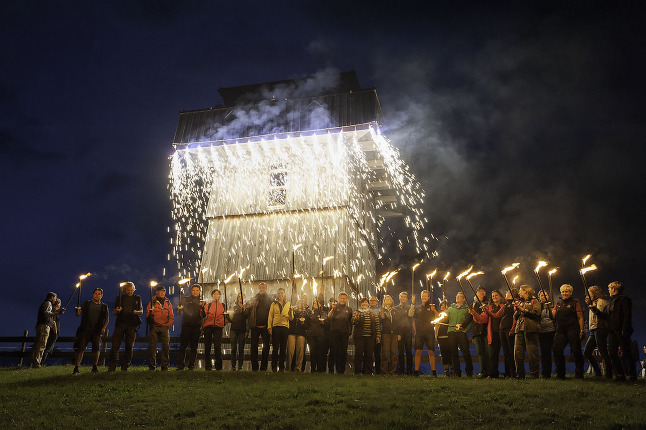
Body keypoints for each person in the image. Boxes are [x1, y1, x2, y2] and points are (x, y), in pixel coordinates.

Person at [591, 281, 637, 381]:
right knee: (612, 352)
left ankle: (632, 374)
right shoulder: (611, 301)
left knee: (626, 352)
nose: (609, 291)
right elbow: (606, 316)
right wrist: (596, 311)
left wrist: (625, 329)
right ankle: (619, 374)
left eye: (609, 289)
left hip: (621, 330)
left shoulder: (624, 300)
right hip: (612, 330)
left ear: (614, 289)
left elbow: (626, 315)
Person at [73, 288, 109, 375]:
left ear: (101, 296)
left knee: (96, 349)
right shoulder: (87, 303)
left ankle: (94, 367)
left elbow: (107, 318)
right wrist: (78, 310)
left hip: (96, 331)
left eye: (99, 294)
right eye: (95, 293)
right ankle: (76, 368)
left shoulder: (104, 306)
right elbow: (78, 314)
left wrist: (103, 328)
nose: (97, 295)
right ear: (93, 294)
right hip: (85, 330)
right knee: (81, 348)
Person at [108, 281, 143, 372]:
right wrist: (117, 310)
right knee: (115, 346)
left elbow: (141, 311)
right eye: (128, 290)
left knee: (129, 346)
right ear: (124, 290)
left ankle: (125, 367)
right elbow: (114, 313)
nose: (130, 291)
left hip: (132, 325)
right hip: (120, 324)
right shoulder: (119, 298)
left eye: (132, 290)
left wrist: (136, 312)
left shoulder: (137, 298)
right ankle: (112, 366)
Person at [552, 284, 585, 379]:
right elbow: (553, 316)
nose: (564, 293)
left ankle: (579, 374)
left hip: (572, 329)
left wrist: (581, 330)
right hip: (560, 330)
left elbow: (580, 317)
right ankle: (560, 374)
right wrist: (549, 308)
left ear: (570, 293)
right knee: (556, 349)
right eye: (563, 291)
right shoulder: (558, 303)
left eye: (567, 291)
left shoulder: (575, 302)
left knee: (576, 351)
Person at [470, 289, 505, 379]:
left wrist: (487, 311)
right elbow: (482, 319)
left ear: (500, 296)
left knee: (507, 353)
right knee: (492, 355)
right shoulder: (490, 307)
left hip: (504, 332)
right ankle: (492, 374)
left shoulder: (504, 306)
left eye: (496, 295)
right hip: (493, 333)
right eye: (493, 296)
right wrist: (474, 313)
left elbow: (497, 315)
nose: (494, 297)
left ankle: (509, 374)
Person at [513, 285, 541, 379]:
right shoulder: (520, 302)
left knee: (532, 354)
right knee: (517, 353)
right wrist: (517, 311)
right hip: (519, 329)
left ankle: (534, 374)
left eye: (520, 291)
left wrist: (524, 310)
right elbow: (515, 317)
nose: (519, 293)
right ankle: (520, 375)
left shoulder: (534, 301)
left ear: (526, 292)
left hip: (530, 330)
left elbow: (536, 314)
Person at [583, 285, 611, 378]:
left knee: (603, 351)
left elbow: (600, 313)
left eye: (589, 293)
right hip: (593, 329)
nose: (588, 295)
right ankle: (597, 372)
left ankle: (608, 373)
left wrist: (592, 307)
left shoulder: (601, 301)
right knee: (587, 352)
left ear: (594, 293)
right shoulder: (593, 302)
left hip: (600, 328)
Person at [31, 292, 64, 368]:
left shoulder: (45, 303)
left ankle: (33, 362)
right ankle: (36, 363)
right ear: (52, 297)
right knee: (41, 344)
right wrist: (58, 313)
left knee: (38, 344)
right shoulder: (48, 303)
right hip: (44, 325)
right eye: (55, 298)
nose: (55, 300)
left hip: (41, 325)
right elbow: (47, 313)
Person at [410, 290, 438, 376]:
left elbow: (438, 318)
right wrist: (415, 331)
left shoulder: (432, 307)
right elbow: (414, 321)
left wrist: (434, 311)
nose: (424, 297)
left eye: (426, 296)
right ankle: (416, 371)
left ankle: (433, 372)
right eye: (423, 296)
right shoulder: (418, 308)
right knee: (418, 351)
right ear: (421, 297)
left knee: (431, 352)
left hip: (429, 332)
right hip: (419, 333)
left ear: (429, 297)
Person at [146, 285, 174, 371]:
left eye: (164, 291)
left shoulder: (168, 303)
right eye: (160, 291)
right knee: (152, 347)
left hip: (164, 327)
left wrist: (167, 325)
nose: (162, 293)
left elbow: (171, 316)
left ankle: (164, 366)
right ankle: (152, 366)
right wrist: (150, 317)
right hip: (154, 327)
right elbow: (147, 315)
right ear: (157, 292)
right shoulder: (152, 302)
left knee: (166, 346)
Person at [465, 286, 490, 378]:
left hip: (486, 331)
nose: (481, 293)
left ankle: (490, 372)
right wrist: (462, 325)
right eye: (479, 292)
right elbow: (469, 318)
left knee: (487, 352)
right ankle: (483, 371)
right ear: (476, 293)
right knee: (480, 352)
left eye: (483, 291)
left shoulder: (488, 303)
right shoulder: (473, 305)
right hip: (476, 332)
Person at [248, 282, 273, 371]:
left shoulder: (270, 299)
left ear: (266, 289)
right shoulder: (254, 298)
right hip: (255, 327)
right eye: (260, 287)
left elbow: (272, 312)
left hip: (266, 327)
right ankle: (254, 367)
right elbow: (248, 307)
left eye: (263, 287)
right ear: (258, 289)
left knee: (266, 347)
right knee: (253, 347)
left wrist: (270, 326)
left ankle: (263, 367)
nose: (261, 289)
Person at [352, 297, 381, 375]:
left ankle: (368, 371)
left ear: (368, 304)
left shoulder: (373, 313)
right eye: (363, 302)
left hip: (370, 337)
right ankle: (357, 371)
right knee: (359, 353)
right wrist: (356, 317)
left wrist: (378, 335)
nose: (364, 304)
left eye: (366, 302)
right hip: (359, 337)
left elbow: (377, 325)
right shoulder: (357, 312)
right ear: (361, 304)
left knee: (369, 354)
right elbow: (353, 322)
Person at [447, 292, 473, 377]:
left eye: (460, 296)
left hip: (461, 333)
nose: (458, 298)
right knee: (453, 353)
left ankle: (469, 372)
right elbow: (446, 318)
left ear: (464, 299)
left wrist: (466, 329)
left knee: (465, 352)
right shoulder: (450, 308)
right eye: (457, 296)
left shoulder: (466, 308)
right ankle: (457, 373)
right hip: (451, 332)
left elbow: (470, 320)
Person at [268, 287, 292, 372]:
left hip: (285, 327)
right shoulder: (274, 304)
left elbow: (291, 318)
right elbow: (270, 315)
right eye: (279, 293)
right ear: (277, 295)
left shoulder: (288, 304)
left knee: (283, 348)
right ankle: (274, 366)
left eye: (282, 293)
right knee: (275, 348)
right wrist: (269, 327)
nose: (280, 295)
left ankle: (281, 367)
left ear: (284, 294)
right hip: (276, 327)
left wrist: (291, 312)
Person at [328, 292, 353, 374]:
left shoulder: (349, 309)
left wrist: (349, 332)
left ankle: (341, 370)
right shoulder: (334, 307)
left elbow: (351, 322)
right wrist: (332, 309)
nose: (342, 300)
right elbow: (329, 316)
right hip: (334, 333)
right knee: (333, 351)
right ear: (339, 299)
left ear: (346, 299)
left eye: (344, 298)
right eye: (341, 298)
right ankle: (331, 370)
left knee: (343, 352)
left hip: (344, 333)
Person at [202, 288, 225, 371]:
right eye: (214, 294)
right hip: (208, 326)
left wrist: (223, 323)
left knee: (217, 347)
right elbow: (203, 315)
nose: (216, 295)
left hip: (218, 327)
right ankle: (208, 366)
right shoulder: (208, 305)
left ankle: (218, 367)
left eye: (217, 294)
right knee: (207, 346)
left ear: (219, 296)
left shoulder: (223, 305)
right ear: (212, 296)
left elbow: (226, 316)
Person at [393, 291, 414, 375]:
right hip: (399, 332)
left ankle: (409, 370)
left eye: (405, 297)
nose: (403, 298)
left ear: (407, 299)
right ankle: (401, 370)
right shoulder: (395, 308)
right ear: (399, 297)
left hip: (408, 332)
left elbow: (410, 315)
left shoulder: (409, 307)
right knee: (400, 351)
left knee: (408, 351)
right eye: (401, 296)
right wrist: (397, 333)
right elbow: (395, 322)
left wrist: (412, 304)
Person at [287, 299, 310, 371]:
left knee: (300, 351)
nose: (300, 304)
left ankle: (298, 367)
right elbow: (290, 320)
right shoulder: (293, 311)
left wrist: (303, 323)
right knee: (290, 350)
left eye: (302, 303)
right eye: (299, 303)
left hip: (301, 333)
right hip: (292, 332)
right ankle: (288, 367)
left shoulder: (306, 313)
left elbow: (307, 325)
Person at [538, 289, 555, 379]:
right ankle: (545, 373)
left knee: (554, 352)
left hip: (552, 331)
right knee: (545, 353)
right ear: (539, 297)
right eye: (541, 295)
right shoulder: (538, 306)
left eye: (545, 295)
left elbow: (554, 317)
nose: (544, 297)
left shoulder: (552, 305)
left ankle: (557, 372)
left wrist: (550, 308)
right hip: (542, 332)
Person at [499, 289, 517, 379]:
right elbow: (496, 315)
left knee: (510, 352)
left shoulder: (515, 303)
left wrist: (513, 328)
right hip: (502, 329)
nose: (506, 293)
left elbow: (515, 317)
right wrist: (486, 310)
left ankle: (513, 373)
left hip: (509, 329)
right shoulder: (505, 305)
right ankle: (507, 373)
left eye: (508, 292)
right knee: (506, 352)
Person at [379, 294, 398, 375]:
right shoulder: (382, 311)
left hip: (394, 334)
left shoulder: (394, 311)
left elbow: (398, 323)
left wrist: (398, 333)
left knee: (394, 352)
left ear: (391, 301)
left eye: (389, 299)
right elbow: (379, 322)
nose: (387, 301)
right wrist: (382, 317)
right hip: (385, 334)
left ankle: (393, 371)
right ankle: (384, 371)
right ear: (384, 301)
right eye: (386, 299)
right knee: (385, 352)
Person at [308, 297, 328, 372]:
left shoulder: (323, 313)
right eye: (314, 303)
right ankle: (313, 369)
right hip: (311, 335)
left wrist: (323, 322)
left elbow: (326, 322)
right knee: (312, 352)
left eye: (317, 303)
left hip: (320, 335)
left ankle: (320, 369)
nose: (315, 304)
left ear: (320, 305)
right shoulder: (310, 313)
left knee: (319, 352)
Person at [228, 292, 247, 371]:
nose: (240, 298)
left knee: (241, 348)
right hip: (234, 329)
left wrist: (247, 330)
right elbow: (231, 319)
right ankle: (233, 366)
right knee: (233, 348)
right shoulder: (234, 307)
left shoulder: (247, 307)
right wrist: (227, 315)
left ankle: (240, 366)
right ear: (237, 298)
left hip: (242, 330)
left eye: (242, 297)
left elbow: (248, 319)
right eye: (239, 297)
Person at [41, 298, 62, 365]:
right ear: (57, 304)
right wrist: (55, 332)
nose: (60, 306)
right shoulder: (53, 311)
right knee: (47, 348)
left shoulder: (53, 311)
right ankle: (42, 362)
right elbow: (53, 322)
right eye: (60, 304)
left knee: (49, 348)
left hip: (52, 332)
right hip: (53, 333)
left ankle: (42, 362)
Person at [435, 300, 451, 376]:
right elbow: (436, 326)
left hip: (449, 336)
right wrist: (436, 335)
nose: (443, 307)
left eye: (444, 305)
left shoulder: (450, 314)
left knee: (450, 353)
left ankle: (453, 370)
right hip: (441, 337)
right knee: (443, 354)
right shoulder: (438, 315)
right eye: (441, 305)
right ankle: (446, 371)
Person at [369, 296, 382, 374]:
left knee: (377, 353)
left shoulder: (380, 311)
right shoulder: (366, 310)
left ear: (377, 302)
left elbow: (381, 322)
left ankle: (378, 370)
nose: (373, 302)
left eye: (374, 300)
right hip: (368, 334)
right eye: (371, 300)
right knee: (369, 353)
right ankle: (368, 370)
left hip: (377, 333)